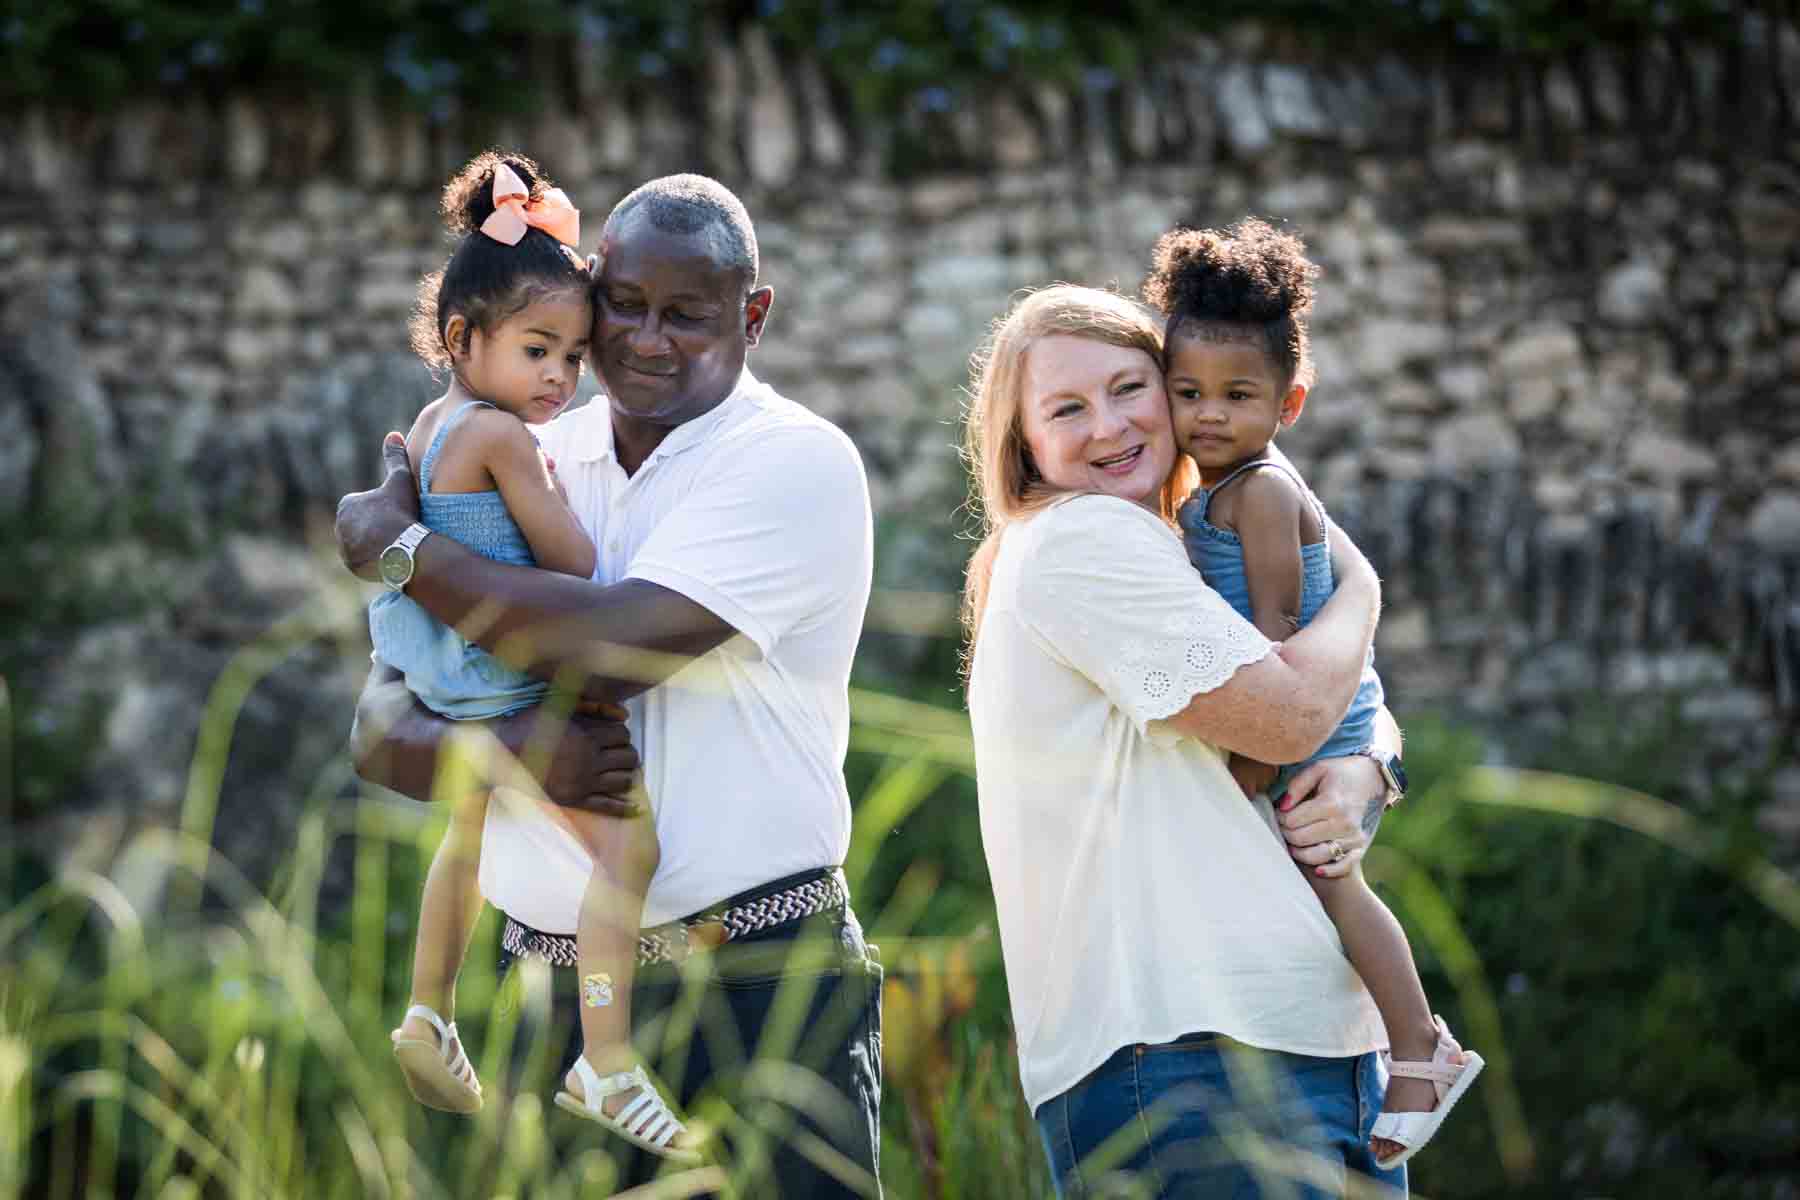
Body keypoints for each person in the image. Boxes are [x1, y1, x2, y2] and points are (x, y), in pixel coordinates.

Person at [337, 174, 881, 1196]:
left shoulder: (793, 460)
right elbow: (381, 729)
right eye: (624, 304)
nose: (646, 339)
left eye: (689, 315)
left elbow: (602, 654)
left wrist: (401, 545)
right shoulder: (529, 454)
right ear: (591, 285)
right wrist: (506, 752)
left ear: (753, 316)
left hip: (761, 983)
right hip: (546, 1002)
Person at [961, 284, 1411, 1198]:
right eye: (1067, 409)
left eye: (1132, 388)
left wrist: (1369, 769)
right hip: (1186, 1055)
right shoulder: (1081, 540)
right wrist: (1365, 590)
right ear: (1025, 445)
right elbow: (1290, 714)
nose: (1110, 426)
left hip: (1292, 1040)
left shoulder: (1178, 545)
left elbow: (1338, 702)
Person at [367, 149, 701, 1159]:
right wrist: (556, 490)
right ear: (464, 338)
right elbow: (574, 556)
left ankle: (428, 1012)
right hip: (501, 670)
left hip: (435, 661)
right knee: (625, 852)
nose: (559, 377)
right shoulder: (508, 441)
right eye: (538, 352)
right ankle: (606, 1055)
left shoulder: (434, 420)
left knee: (469, 837)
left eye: (570, 356)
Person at [1144, 219, 1482, 1170]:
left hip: (1317, 717)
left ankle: (1419, 1046)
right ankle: (1400, 1042)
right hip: (1310, 704)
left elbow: (1280, 640)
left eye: (1238, 396)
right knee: (1312, 886)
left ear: (1288, 401)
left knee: (1333, 884)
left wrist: (1243, 768)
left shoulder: (1257, 491)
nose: (1207, 414)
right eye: (1188, 392)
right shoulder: (1212, 483)